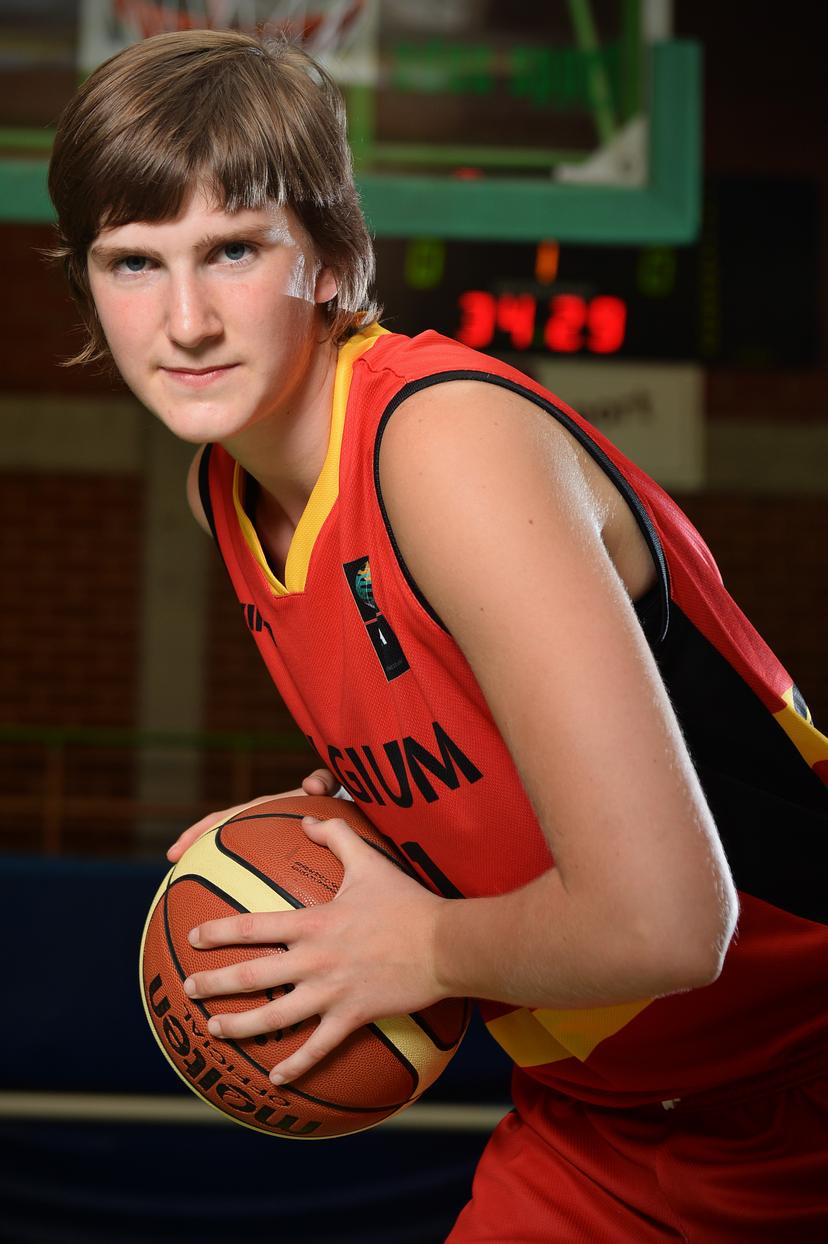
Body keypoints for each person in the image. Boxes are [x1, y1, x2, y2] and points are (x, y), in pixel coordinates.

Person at [48, 28, 828, 1242]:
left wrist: (420, 941)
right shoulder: (231, 487)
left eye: (234, 250)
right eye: (134, 262)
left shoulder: (438, 443)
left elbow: (671, 920)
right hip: (601, 1120)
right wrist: (361, 837)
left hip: (803, 1087)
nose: (185, 319)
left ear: (326, 256)